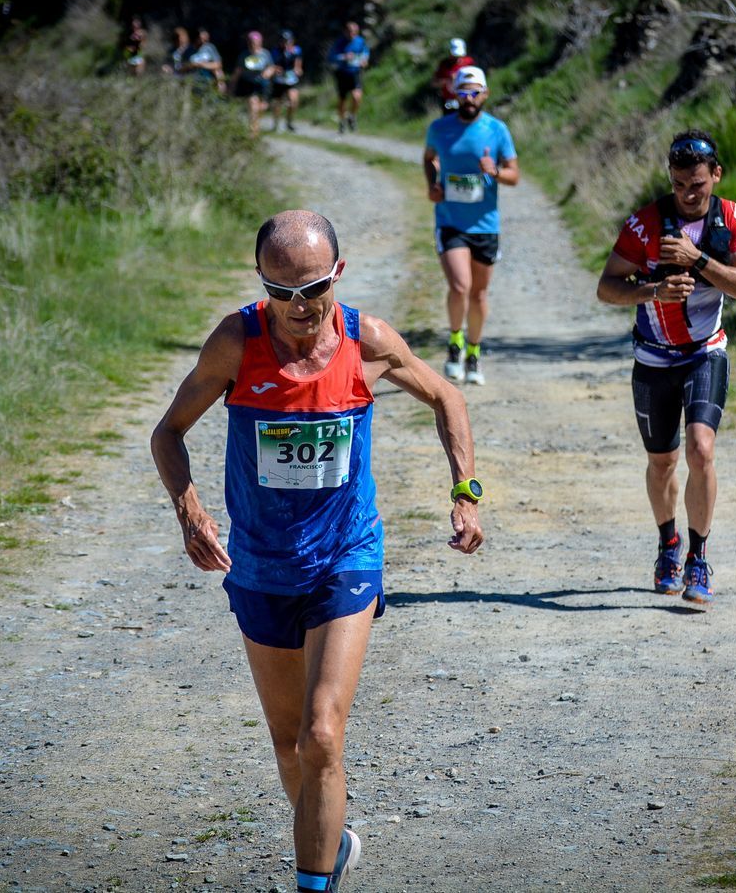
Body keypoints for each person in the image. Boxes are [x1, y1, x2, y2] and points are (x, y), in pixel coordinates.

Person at [151, 210, 485, 893]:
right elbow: (169, 433)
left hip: (345, 557)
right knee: (288, 744)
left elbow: (446, 397)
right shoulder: (236, 344)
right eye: (282, 293)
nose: (300, 308)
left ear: (338, 273)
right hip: (263, 565)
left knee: (322, 736)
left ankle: (311, 884)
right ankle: (331, 846)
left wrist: (466, 490)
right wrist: (189, 511)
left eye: (313, 289)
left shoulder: (369, 342)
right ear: (262, 286)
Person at [594, 129, 736, 609]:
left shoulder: (730, 219)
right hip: (652, 359)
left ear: (716, 176)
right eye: (680, 184)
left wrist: (699, 259)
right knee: (662, 462)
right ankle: (668, 544)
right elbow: (607, 287)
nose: (689, 194)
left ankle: (699, 557)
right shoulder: (645, 225)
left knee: (701, 450)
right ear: (670, 177)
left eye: (699, 185)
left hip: (704, 354)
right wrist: (649, 292)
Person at [422, 66, 519, 386]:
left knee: (478, 294)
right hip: (450, 221)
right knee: (460, 286)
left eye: (475, 92)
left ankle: (474, 351)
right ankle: (454, 343)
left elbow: (514, 176)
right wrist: (433, 184)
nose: (469, 98)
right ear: (454, 94)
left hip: (485, 225)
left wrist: (493, 172)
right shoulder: (440, 128)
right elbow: (429, 158)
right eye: (463, 92)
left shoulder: (497, 130)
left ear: (485, 95)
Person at [327, 22, 370, 133]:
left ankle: (352, 116)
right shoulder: (339, 43)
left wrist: (364, 60)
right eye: (350, 31)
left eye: (355, 32)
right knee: (342, 100)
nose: (352, 34)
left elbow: (365, 52)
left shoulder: (360, 41)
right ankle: (342, 122)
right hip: (342, 73)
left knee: (357, 97)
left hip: (355, 72)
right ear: (345, 31)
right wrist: (343, 57)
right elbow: (331, 57)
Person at [231, 31, 275, 137]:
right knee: (253, 103)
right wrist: (231, 85)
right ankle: (253, 132)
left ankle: (255, 124)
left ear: (260, 42)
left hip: (263, 85)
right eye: (251, 42)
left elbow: (271, 67)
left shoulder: (265, 54)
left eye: (255, 42)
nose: (253, 44)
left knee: (262, 107)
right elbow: (237, 71)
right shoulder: (244, 55)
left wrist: (268, 72)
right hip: (249, 84)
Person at [270, 30, 303, 132]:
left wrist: (298, 69)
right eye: (284, 41)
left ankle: (289, 122)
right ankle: (276, 124)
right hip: (278, 80)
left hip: (291, 79)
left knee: (293, 101)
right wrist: (275, 69)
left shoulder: (296, 50)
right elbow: (271, 65)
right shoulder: (275, 51)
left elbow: (298, 63)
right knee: (277, 103)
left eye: (288, 41)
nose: (286, 43)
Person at [430, 38, 475, 111]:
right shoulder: (444, 64)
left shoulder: (469, 62)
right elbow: (434, 83)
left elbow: (474, 79)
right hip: (449, 101)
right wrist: (448, 80)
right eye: (455, 55)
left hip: (465, 99)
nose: (457, 58)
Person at [185, 27, 224, 92]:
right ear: (196, 38)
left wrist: (201, 64)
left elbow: (218, 64)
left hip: (208, 81)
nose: (205, 40)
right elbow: (183, 66)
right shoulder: (189, 50)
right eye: (203, 39)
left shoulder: (210, 48)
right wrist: (191, 65)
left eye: (207, 38)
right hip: (193, 82)